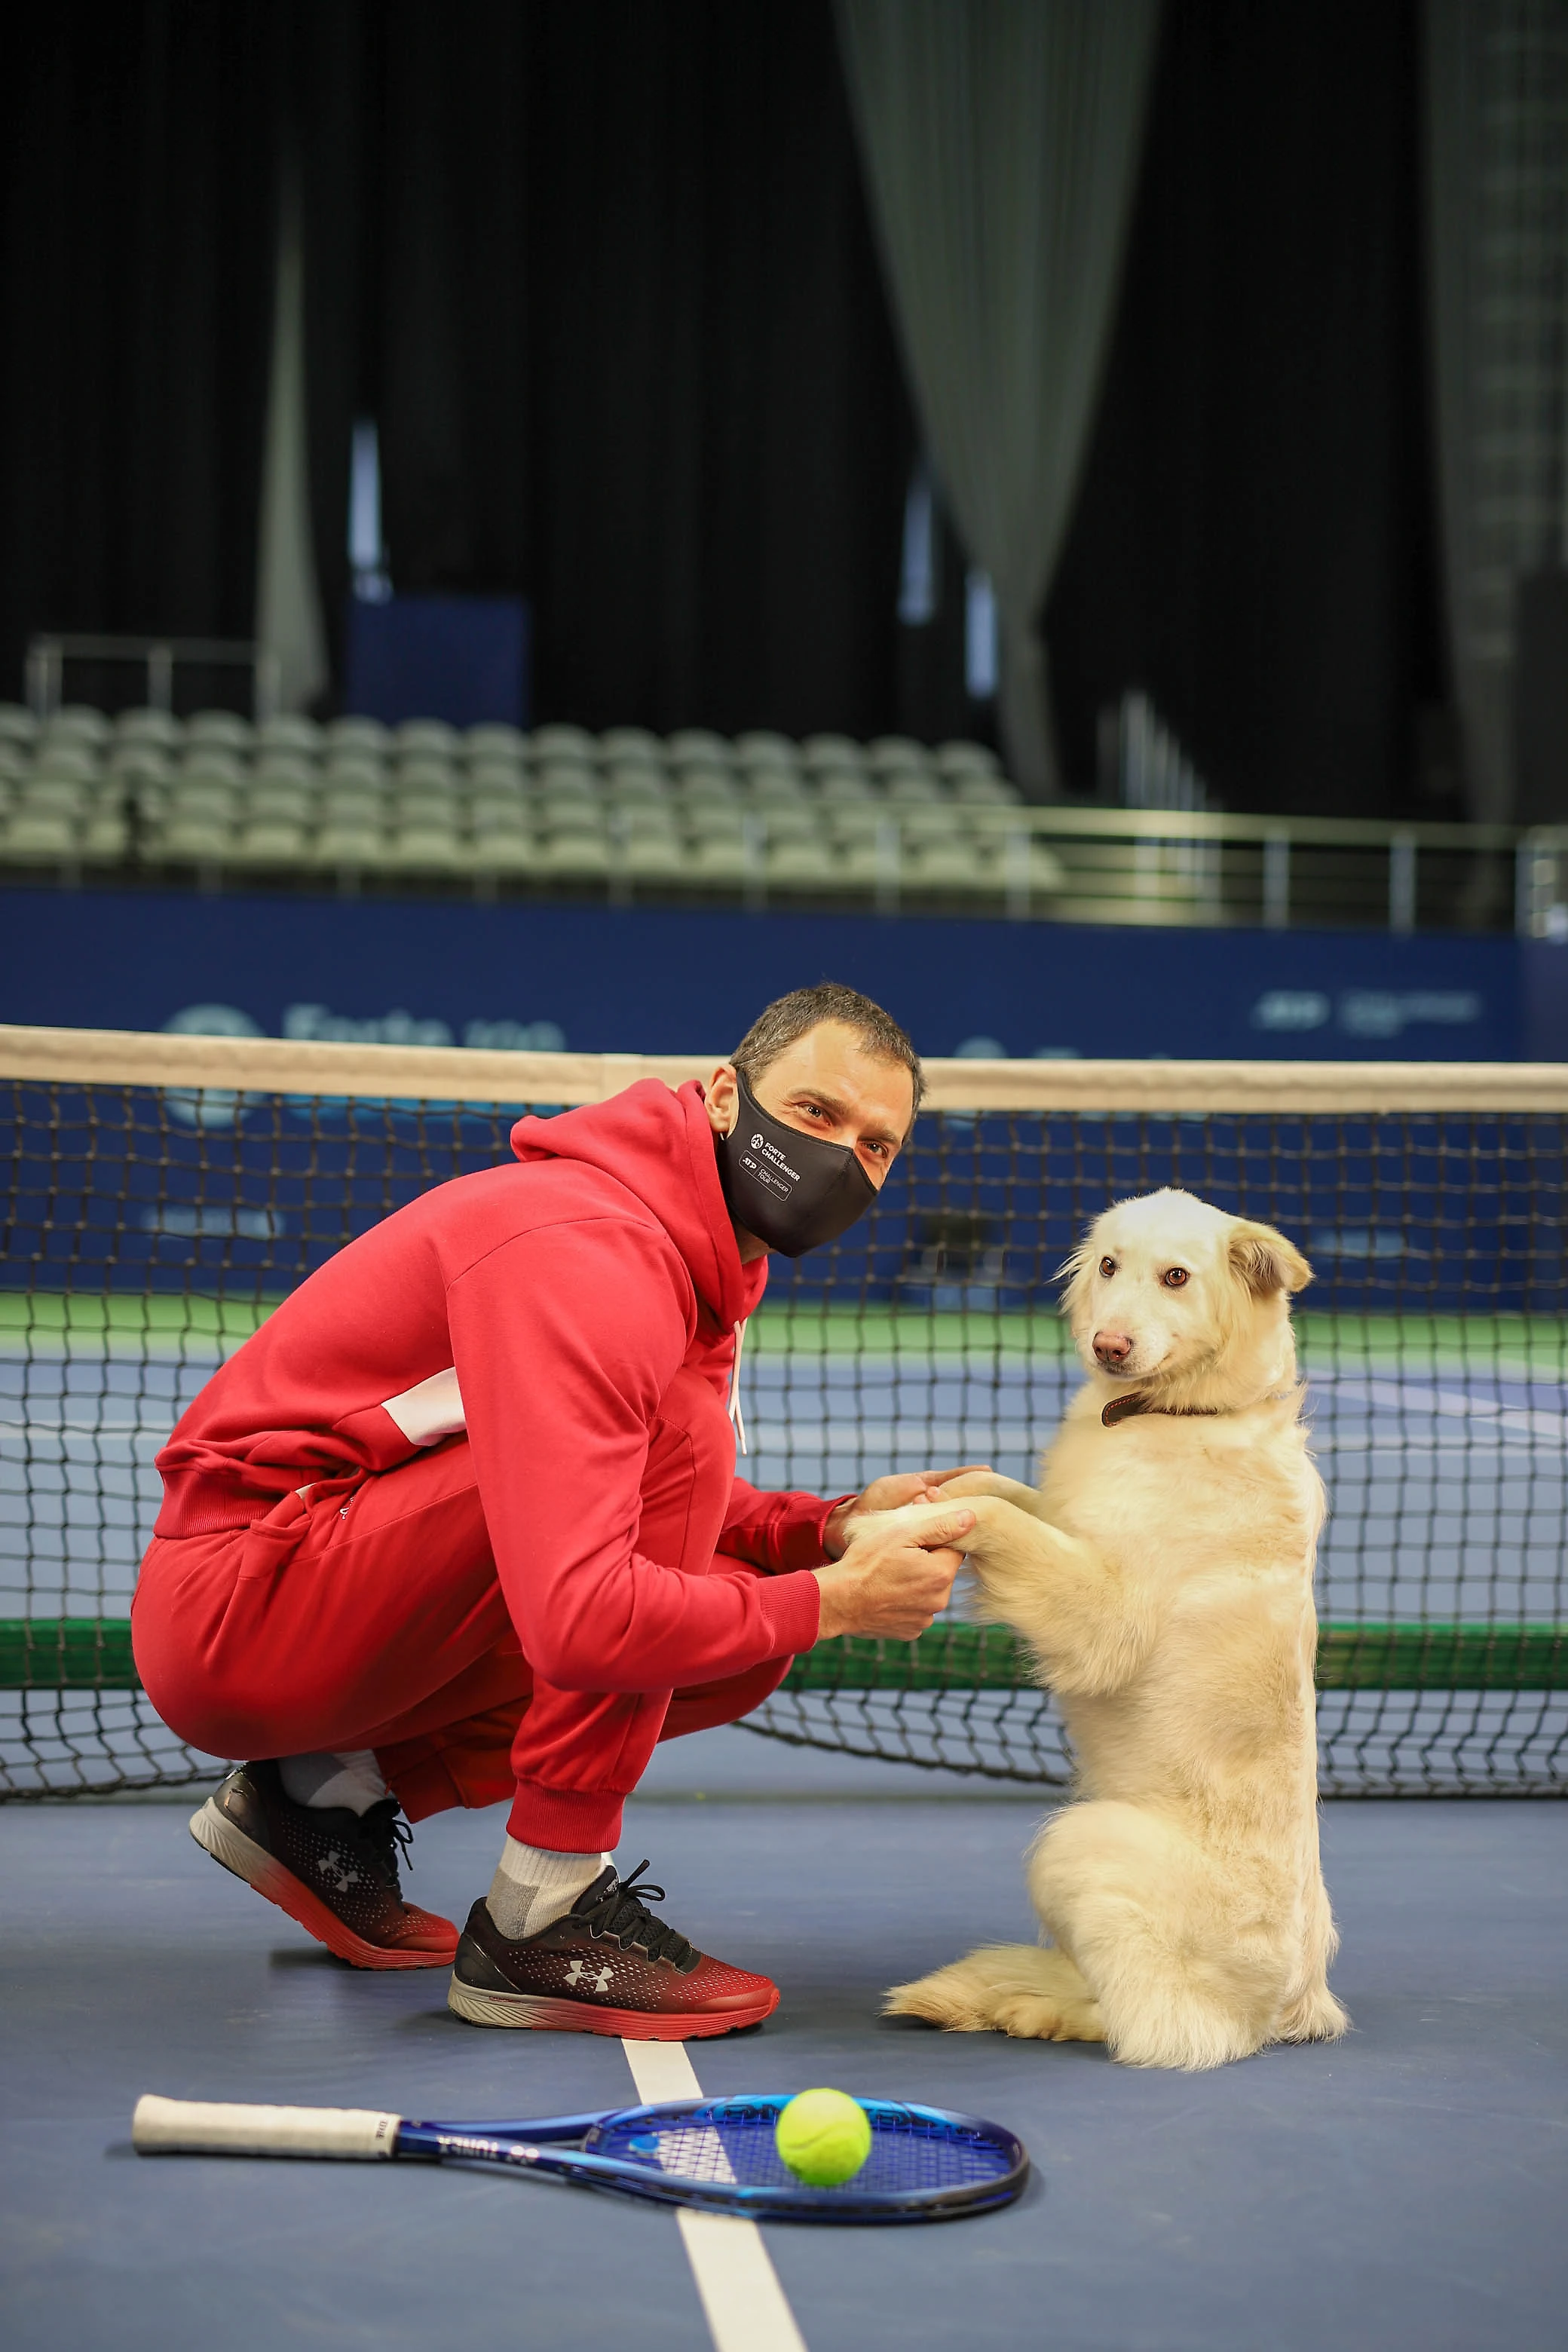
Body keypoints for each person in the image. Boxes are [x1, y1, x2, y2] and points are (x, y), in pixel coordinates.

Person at [133, 982, 978, 2038]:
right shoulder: (595, 1249)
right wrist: (839, 1602)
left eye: (876, 1145)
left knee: (740, 1615)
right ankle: (548, 1910)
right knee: (690, 1469)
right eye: (816, 1113)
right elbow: (587, 1612)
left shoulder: (684, 1252)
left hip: (303, 1601)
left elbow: (624, 1490)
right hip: (241, 1606)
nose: (841, 1157)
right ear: (724, 1095)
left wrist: (827, 1531)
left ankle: (318, 1795)